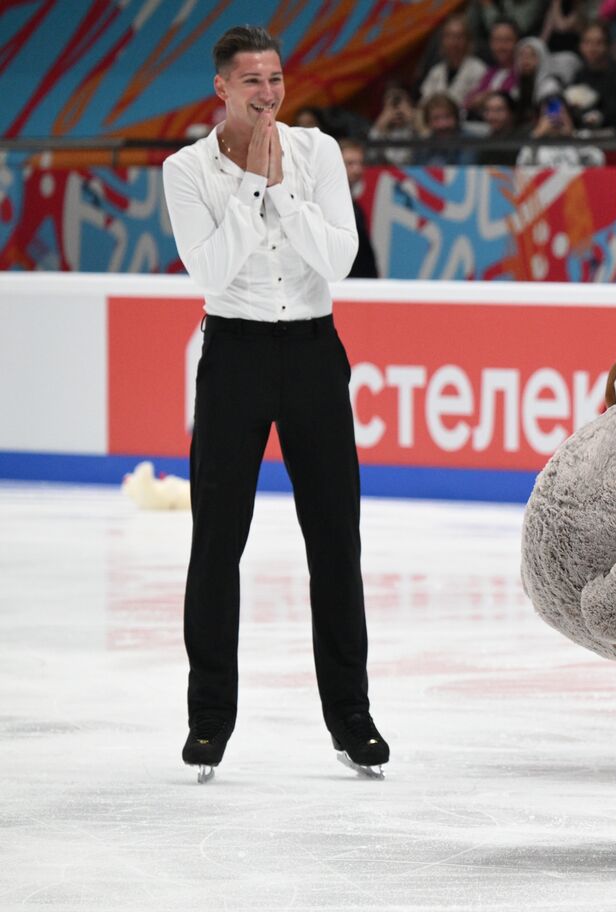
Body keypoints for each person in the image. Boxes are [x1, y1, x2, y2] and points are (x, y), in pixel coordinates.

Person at [161, 25, 388, 782]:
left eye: (276, 79)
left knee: (335, 542)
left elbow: (340, 259)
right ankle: (208, 720)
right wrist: (252, 185)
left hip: (314, 357)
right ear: (221, 88)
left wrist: (281, 185)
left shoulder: (317, 153)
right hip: (235, 356)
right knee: (217, 543)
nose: (268, 94)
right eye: (252, 81)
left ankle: (352, 717)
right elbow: (211, 272)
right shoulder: (186, 169)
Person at [564, 22, 616, 129]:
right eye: (587, 42)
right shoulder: (580, 74)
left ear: (608, 46)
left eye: (599, 43)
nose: (592, 48)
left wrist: (599, 117)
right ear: (581, 46)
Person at [420, 15, 489, 108]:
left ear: (468, 40)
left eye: (459, 36)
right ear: (443, 41)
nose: (453, 42)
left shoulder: (478, 69)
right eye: (449, 36)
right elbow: (424, 103)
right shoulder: (436, 71)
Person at [338, 138, 379, 278]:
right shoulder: (324, 204)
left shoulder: (356, 207)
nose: (357, 169)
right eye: (349, 163)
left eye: (360, 163)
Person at [466, 21, 522, 115]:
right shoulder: (489, 72)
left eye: (507, 40)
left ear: (518, 43)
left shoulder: (522, 72)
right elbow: (468, 102)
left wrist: (488, 96)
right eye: (497, 40)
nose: (501, 46)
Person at [368, 82, 424, 165]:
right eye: (393, 106)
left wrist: (412, 116)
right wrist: (381, 123)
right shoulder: (381, 130)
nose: (397, 112)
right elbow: (371, 153)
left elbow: (426, 137)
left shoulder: (415, 126)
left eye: (400, 105)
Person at [417, 93, 468, 165]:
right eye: (436, 118)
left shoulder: (470, 141)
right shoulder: (422, 146)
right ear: (428, 122)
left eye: (448, 117)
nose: (443, 125)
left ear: (457, 118)